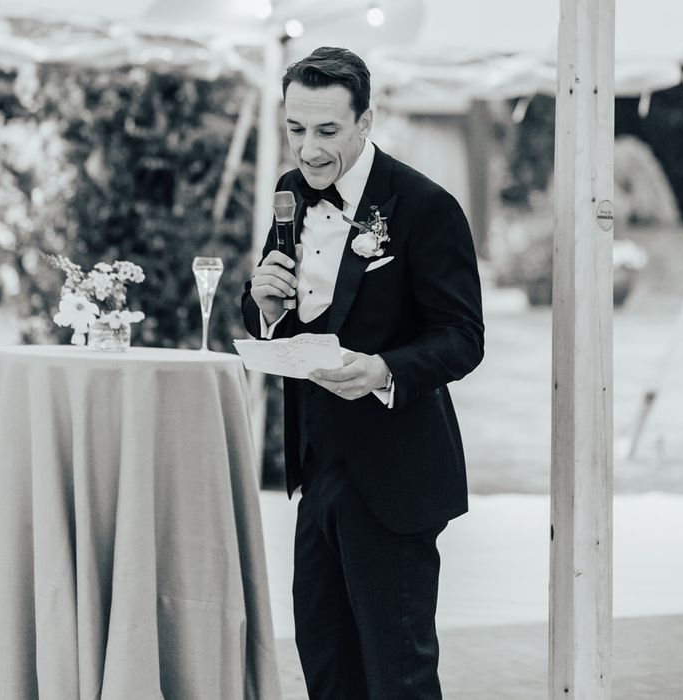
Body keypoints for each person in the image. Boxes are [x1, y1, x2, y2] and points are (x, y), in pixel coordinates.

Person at [241, 46, 484, 699]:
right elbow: (274, 305)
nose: (308, 149)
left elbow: (463, 338)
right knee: (326, 666)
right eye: (296, 129)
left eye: (327, 131)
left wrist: (383, 370)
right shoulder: (291, 193)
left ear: (366, 120)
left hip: (394, 476)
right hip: (318, 470)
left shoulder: (422, 207)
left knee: (397, 676)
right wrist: (261, 304)